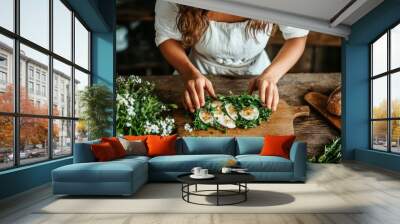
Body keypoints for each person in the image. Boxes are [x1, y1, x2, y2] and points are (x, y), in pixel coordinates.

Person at [154, 0, 308, 112]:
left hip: (258, 73)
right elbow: (167, 37)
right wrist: (188, 73)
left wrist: (271, 76)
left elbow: (297, 37)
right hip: (198, 70)